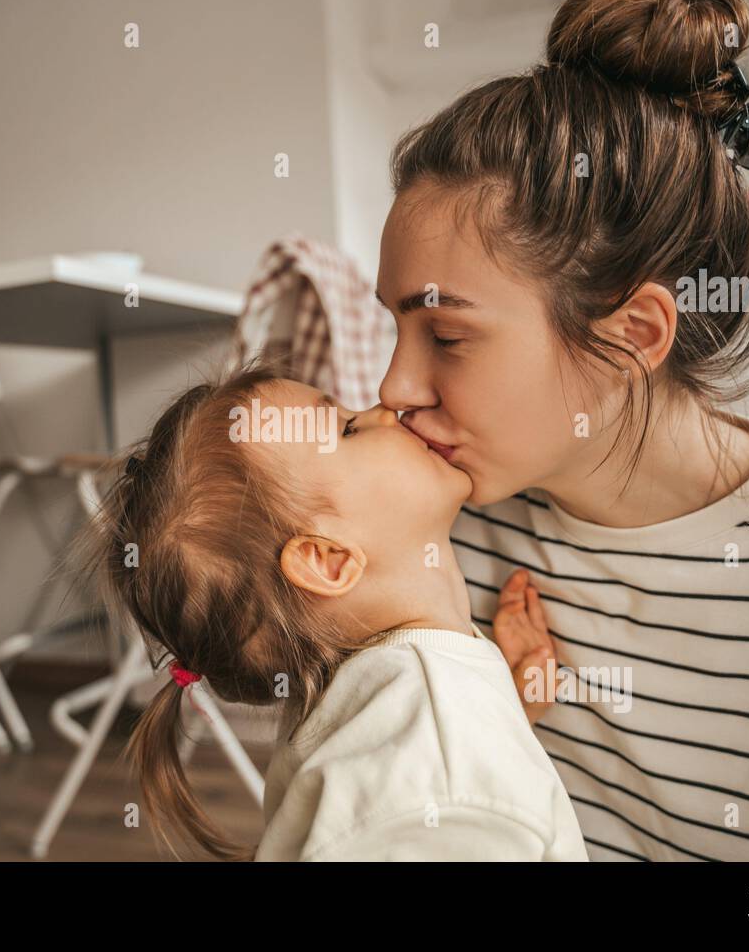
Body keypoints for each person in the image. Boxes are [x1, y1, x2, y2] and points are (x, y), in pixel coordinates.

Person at [374, 0, 749, 859]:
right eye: (396, 330)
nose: (394, 385)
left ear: (632, 335)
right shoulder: (429, 536)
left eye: (445, 335)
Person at [74, 363, 588, 861]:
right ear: (327, 559)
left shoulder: (389, 716)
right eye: (348, 428)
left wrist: (502, 718)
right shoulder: (442, 784)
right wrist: (468, 750)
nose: (385, 409)